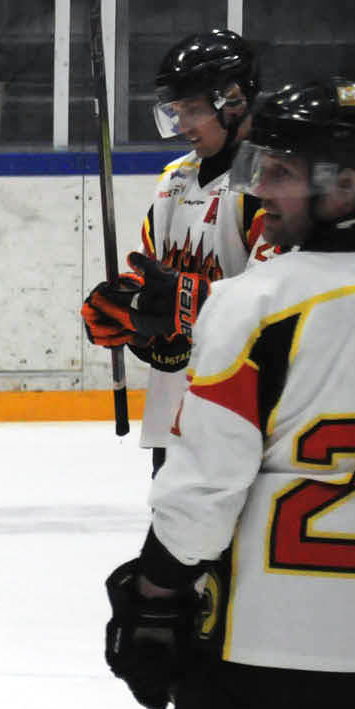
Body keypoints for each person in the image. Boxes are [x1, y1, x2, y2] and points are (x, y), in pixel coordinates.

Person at [102, 79, 355, 709]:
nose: (262, 190)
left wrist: (156, 592)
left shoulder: (258, 303)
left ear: (346, 185)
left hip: (266, 648)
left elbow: (205, 486)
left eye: (284, 172)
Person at [81, 29, 272, 468]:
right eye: (176, 111)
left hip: (247, 417)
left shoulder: (270, 183)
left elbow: (280, 308)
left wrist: (187, 303)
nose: (183, 126)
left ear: (234, 100)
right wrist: (126, 314)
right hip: (174, 417)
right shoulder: (174, 181)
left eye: (193, 110)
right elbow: (156, 291)